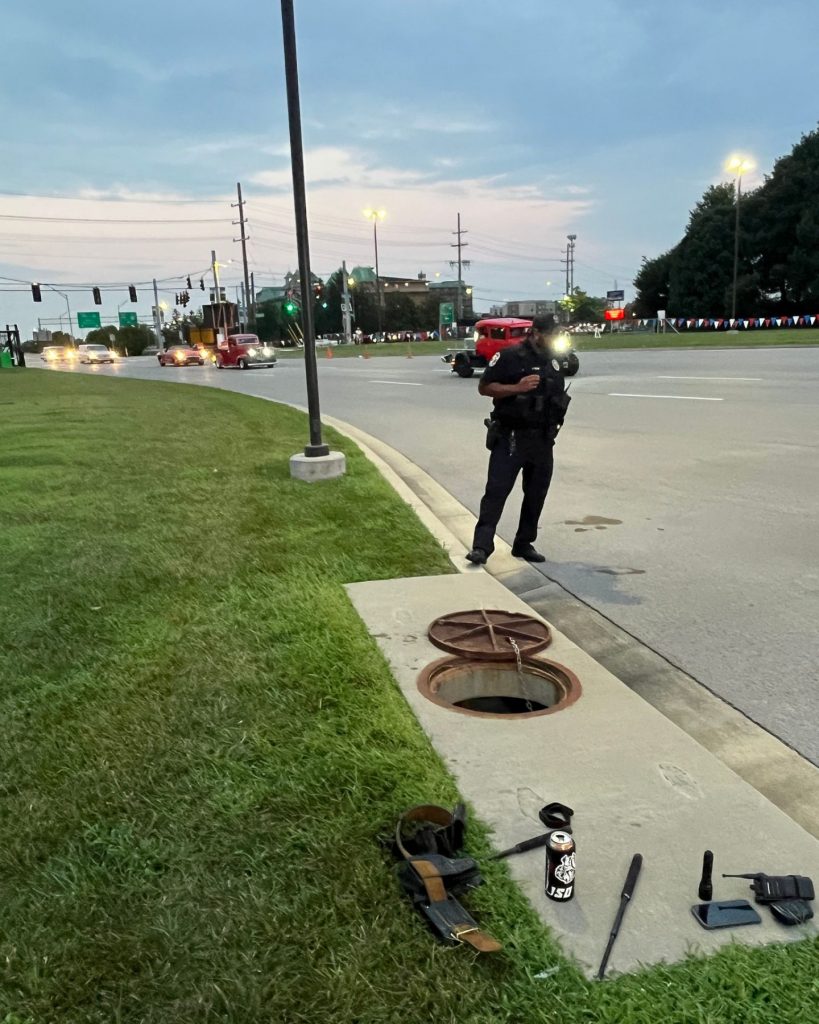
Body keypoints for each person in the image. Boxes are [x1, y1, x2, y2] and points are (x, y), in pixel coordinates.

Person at [466, 314, 571, 565]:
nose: (557, 338)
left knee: (536, 494)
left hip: (543, 440)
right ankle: (481, 546)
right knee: (496, 492)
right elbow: (485, 387)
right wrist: (517, 388)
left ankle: (524, 543)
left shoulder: (553, 361)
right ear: (536, 333)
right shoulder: (510, 357)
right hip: (511, 437)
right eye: (553, 334)